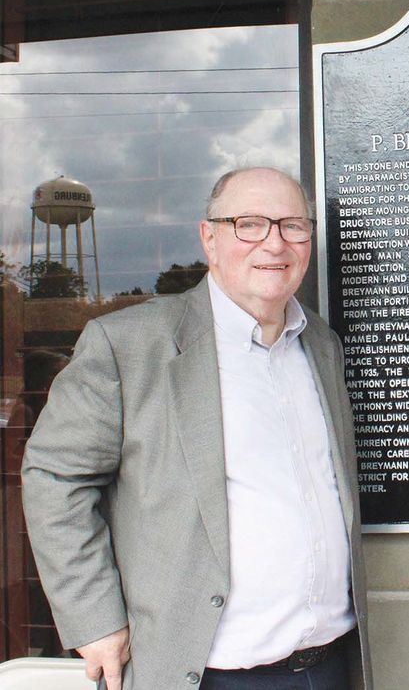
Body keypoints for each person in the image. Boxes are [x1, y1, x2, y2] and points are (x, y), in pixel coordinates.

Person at [22, 167, 372, 690]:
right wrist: (94, 620)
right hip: (205, 673)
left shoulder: (321, 345)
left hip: (331, 665)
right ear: (209, 237)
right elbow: (55, 479)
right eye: (249, 224)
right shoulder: (129, 347)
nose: (274, 243)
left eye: (292, 225)